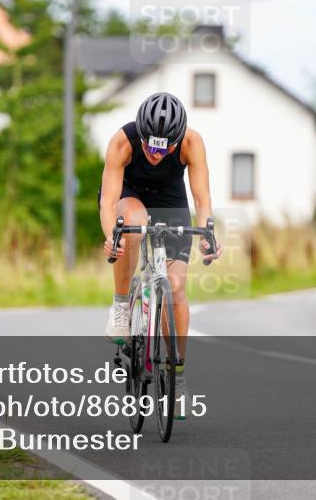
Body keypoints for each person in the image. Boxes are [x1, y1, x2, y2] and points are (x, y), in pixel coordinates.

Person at [99, 92, 221, 419]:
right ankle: (122, 304)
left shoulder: (191, 143)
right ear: (141, 134)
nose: (155, 153)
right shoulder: (122, 142)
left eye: (163, 147)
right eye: (150, 145)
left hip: (170, 200)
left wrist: (208, 234)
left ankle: (177, 378)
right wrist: (113, 236)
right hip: (130, 195)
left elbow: (202, 199)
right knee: (133, 224)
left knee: (177, 287)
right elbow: (108, 202)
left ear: (177, 140)